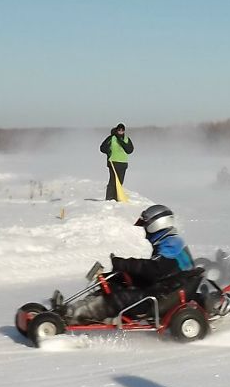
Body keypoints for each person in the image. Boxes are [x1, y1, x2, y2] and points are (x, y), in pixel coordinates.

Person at [65, 204, 197, 323]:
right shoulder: (169, 241)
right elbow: (157, 271)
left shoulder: (172, 243)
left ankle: (77, 316)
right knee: (114, 282)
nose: (145, 233)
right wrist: (121, 273)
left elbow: (154, 270)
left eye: (146, 227)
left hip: (164, 294)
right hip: (164, 287)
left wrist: (123, 264)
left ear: (156, 225)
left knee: (117, 298)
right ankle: (72, 309)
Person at [100, 123, 134, 201]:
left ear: (124, 131)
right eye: (119, 130)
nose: (121, 131)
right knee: (112, 181)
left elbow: (130, 150)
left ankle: (117, 198)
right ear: (117, 130)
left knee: (120, 182)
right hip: (113, 162)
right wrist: (108, 151)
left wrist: (121, 142)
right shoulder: (111, 138)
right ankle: (109, 199)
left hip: (123, 163)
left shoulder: (126, 139)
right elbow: (102, 148)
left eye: (122, 130)